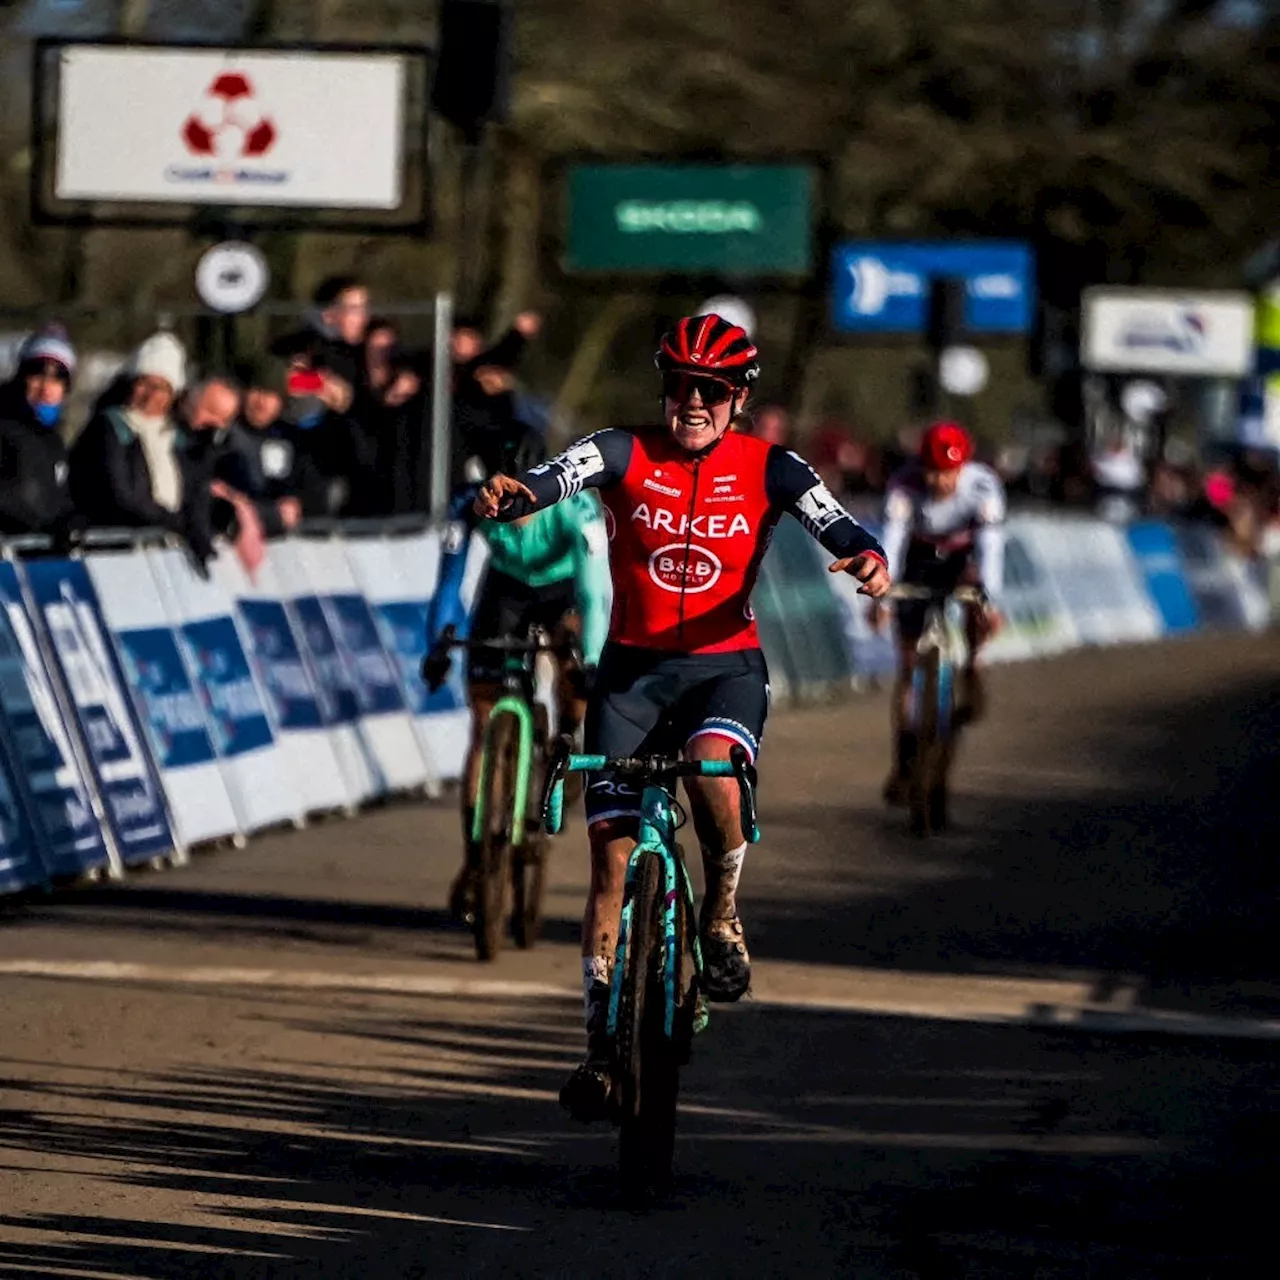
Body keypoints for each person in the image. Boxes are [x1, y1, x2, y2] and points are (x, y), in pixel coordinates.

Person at [470, 313, 891, 1121]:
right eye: (678, 385)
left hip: (722, 672)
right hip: (631, 675)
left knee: (715, 782)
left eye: (711, 390)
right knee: (610, 860)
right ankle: (599, 1045)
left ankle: (723, 914)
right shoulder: (623, 449)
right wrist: (519, 492)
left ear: (738, 397)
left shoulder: (772, 465)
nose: (691, 402)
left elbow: (835, 520)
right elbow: (558, 475)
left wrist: (867, 556)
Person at [422, 427, 611, 923]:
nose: (520, 514)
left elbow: (596, 592)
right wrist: (438, 643)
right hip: (504, 590)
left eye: (528, 501)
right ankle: (475, 857)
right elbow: (450, 581)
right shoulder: (472, 503)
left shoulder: (578, 509)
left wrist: (589, 659)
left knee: (574, 679)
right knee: (484, 724)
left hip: (561, 589)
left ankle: (567, 742)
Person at [872, 420, 1006, 806]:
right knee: (908, 662)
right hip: (918, 557)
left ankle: (974, 661)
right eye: (932, 471)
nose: (940, 481)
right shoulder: (903, 485)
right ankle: (903, 758)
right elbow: (892, 543)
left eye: (949, 473)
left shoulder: (983, 486)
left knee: (976, 599)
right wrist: (882, 598)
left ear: (963, 467)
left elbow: (991, 548)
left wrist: (989, 603)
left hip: (962, 557)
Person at [0, 325, 82, 539]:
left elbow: (59, 499)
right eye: (37, 372)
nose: (46, 386)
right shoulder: (5, 426)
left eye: (58, 377)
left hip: (38, 560)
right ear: (21, 376)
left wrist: (71, 521)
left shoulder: (54, 441)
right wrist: (41, 524)